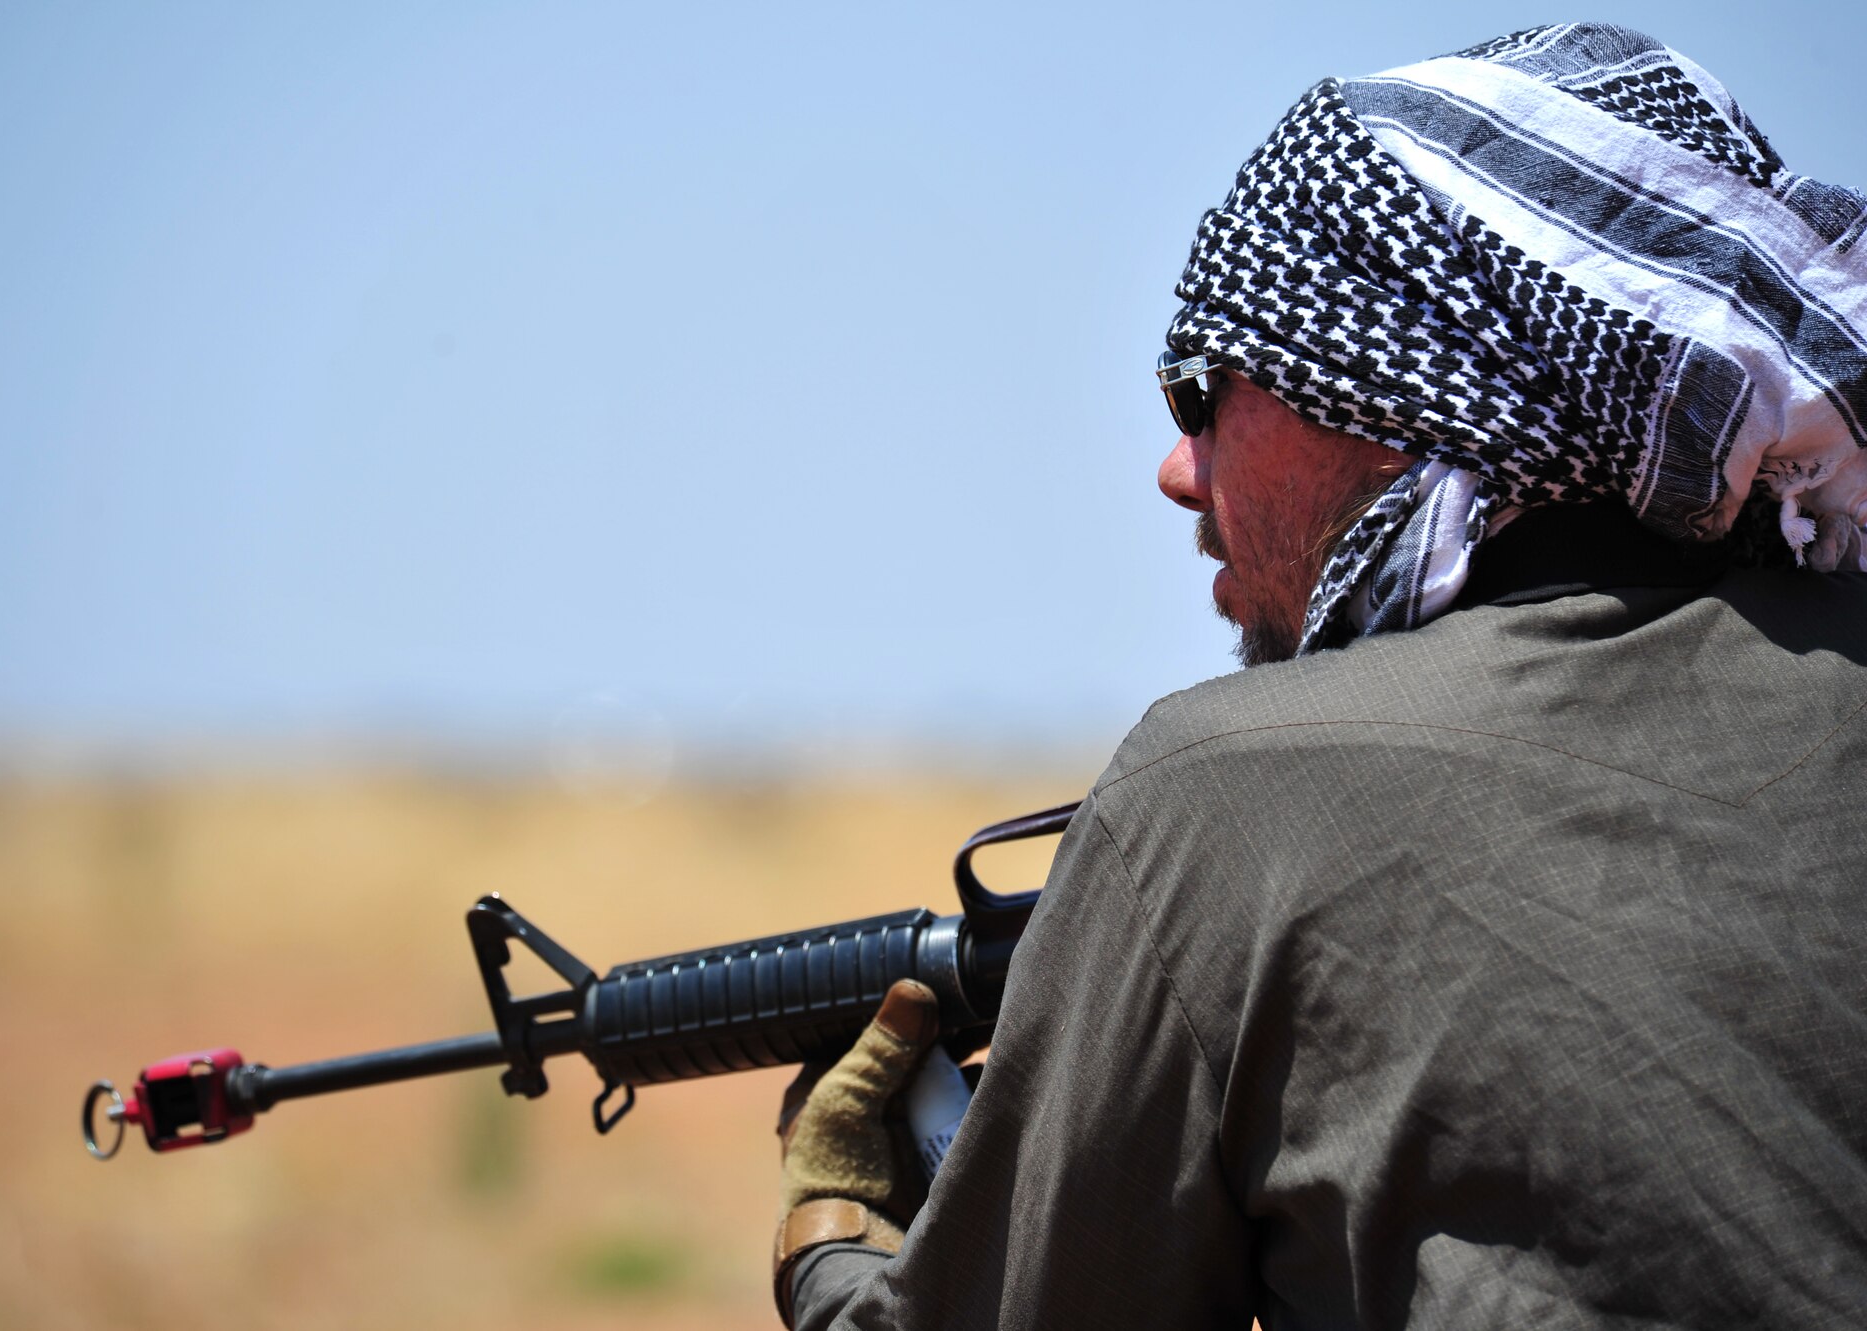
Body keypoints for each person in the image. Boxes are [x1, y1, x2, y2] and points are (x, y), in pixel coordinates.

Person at [769, 24, 1867, 1329]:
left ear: (1398, 387)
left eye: (1202, 384)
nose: (1179, 470)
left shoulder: (1223, 796)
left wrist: (831, 1231)